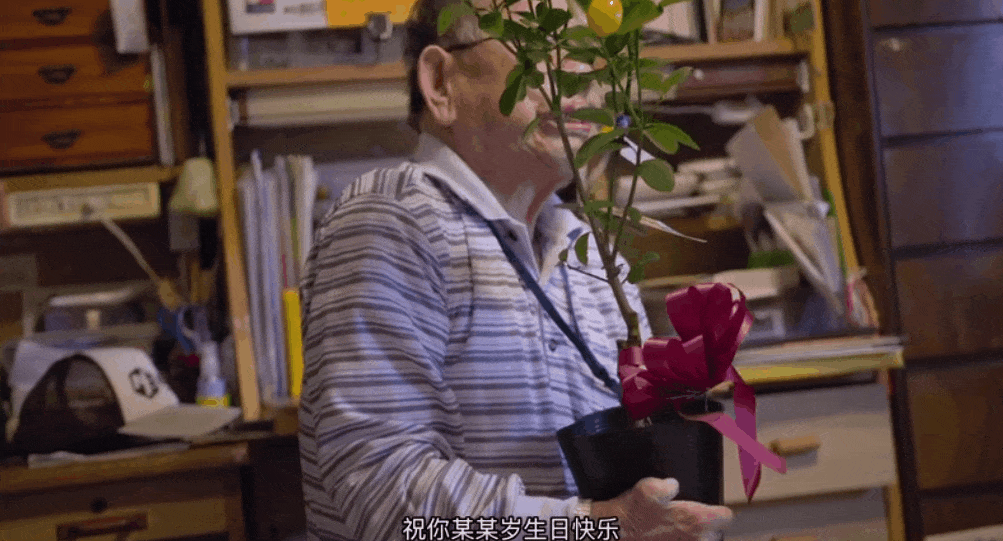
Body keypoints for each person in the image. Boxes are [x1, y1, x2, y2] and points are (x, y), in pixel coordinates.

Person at [297, 0, 735, 539]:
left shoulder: (590, 253)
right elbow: (384, 500)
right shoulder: (391, 218)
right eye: (539, 45)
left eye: (587, 52)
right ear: (440, 84)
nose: (577, 76)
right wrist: (588, 529)